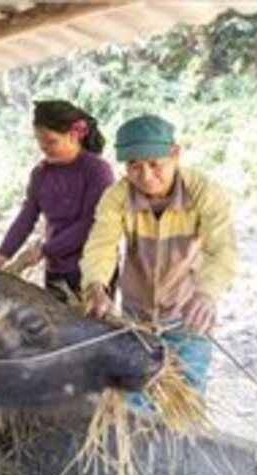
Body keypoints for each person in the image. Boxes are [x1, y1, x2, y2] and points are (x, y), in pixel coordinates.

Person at [80, 113, 237, 396]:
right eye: (135, 167)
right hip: (136, 316)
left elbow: (221, 248)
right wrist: (95, 285)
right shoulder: (117, 197)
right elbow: (101, 246)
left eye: (156, 165)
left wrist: (207, 294)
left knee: (187, 394)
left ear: (175, 154)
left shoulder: (203, 191)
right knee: (136, 398)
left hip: (188, 315)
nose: (146, 176)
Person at [0, 100, 115, 303]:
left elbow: (90, 223)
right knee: (58, 329)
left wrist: (41, 251)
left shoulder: (97, 170)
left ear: (74, 135)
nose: (44, 148)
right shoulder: (40, 173)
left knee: (92, 328)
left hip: (93, 269)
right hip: (56, 267)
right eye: (39, 141)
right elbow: (26, 218)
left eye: (51, 141)